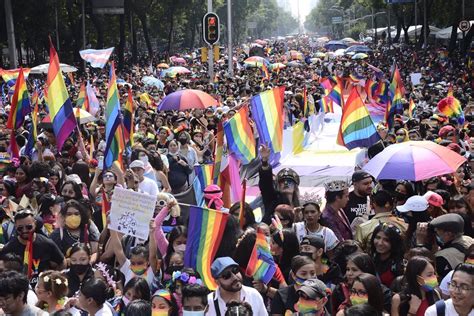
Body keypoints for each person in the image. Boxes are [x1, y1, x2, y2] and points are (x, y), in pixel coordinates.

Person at [0, 210, 65, 279]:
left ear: (35, 224)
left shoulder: (46, 243)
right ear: (15, 226)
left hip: (42, 288)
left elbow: (62, 262)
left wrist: (53, 279)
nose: (24, 230)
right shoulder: (9, 248)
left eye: (29, 227)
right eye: (20, 228)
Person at [259, 144, 300, 224]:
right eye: (282, 181)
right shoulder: (272, 199)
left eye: (289, 181)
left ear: (295, 187)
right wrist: (265, 161)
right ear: (278, 185)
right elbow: (265, 184)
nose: (285, 183)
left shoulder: (300, 204)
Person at [430, 213, 474, 279]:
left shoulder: (442, 257)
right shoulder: (468, 239)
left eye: (437, 232)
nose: (436, 235)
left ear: (448, 234)